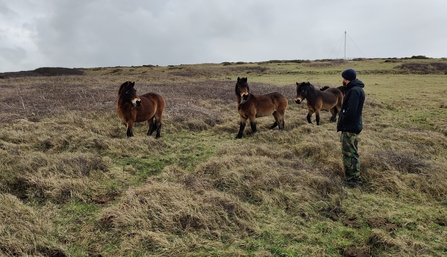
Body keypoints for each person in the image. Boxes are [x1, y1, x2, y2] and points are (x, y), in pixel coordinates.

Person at [337, 68, 365, 188]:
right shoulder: (357, 89)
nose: (342, 80)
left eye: (343, 77)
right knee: (352, 153)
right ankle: (353, 178)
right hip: (353, 125)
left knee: (350, 154)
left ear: (346, 78)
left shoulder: (354, 91)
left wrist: (343, 120)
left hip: (350, 127)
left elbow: (351, 111)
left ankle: (353, 181)